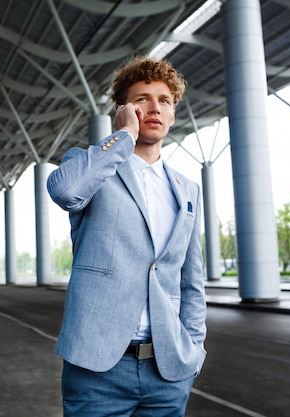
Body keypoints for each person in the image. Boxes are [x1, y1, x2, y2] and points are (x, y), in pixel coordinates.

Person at [46, 56, 207, 417]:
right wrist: (123, 138)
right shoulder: (92, 166)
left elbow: (190, 281)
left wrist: (194, 349)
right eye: (142, 99)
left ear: (173, 114)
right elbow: (66, 192)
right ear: (123, 110)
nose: (154, 107)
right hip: (98, 369)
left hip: (167, 371)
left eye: (164, 100)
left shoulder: (188, 190)